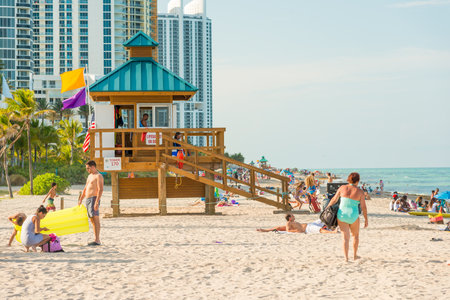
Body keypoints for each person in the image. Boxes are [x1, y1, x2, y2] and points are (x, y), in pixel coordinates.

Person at [326, 172, 368, 262]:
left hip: (342, 215)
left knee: (345, 237)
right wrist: (366, 219)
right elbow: (363, 207)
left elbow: (334, 199)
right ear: (357, 181)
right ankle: (355, 256)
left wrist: (326, 209)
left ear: (349, 179)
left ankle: (346, 258)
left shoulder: (342, 188)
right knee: (355, 236)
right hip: (353, 216)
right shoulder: (360, 192)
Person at [79, 160, 104, 246]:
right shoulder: (89, 176)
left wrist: (97, 202)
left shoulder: (98, 176)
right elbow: (85, 188)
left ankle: (97, 240)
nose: (87, 170)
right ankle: (95, 239)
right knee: (92, 219)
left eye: (88, 168)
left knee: (96, 219)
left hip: (94, 199)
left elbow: (100, 189)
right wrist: (81, 198)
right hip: (88, 199)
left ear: (93, 167)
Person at [256, 214, 337, 234]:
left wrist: (264, 230)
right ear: (290, 218)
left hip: (309, 224)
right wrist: (297, 230)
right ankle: (332, 232)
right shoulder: (288, 223)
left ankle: (333, 226)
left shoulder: (292, 223)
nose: (294, 216)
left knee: (322, 219)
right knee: (319, 230)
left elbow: (278, 228)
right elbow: (288, 230)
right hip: (307, 228)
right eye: (292, 215)